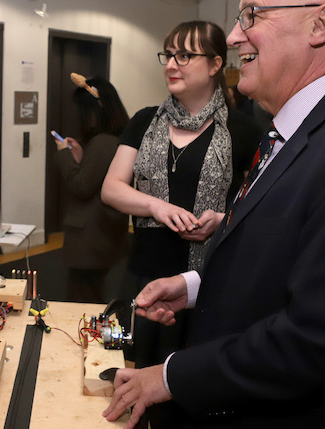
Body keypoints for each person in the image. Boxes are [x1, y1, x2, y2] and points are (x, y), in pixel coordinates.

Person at [103, 0, 325, 428]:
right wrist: (196, 287)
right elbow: (288, 259)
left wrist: (170, 377)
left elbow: (320, 339)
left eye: (251, 15)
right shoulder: (290, 131)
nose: (236, 36)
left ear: (320, 24)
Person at [100, 21, 260, 425]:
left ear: (215, 64)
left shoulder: (243, 131)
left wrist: (222, 219)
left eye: (184, 55)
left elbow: (259, 207)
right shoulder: (144, 120)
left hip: (204, 281)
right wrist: (155, 206)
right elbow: (112, 188)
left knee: (190, 396)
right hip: (144, 273)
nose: (172, 64)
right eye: (168, 54)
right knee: (129, 382)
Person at [52, 76, 130, 303]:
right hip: (104, 235)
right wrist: (80, 158)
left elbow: (82, 186)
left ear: (97, 109)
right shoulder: (115, 140)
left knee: (84, 302)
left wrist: (64, 154)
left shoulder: (103, 142)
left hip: (91, 238)